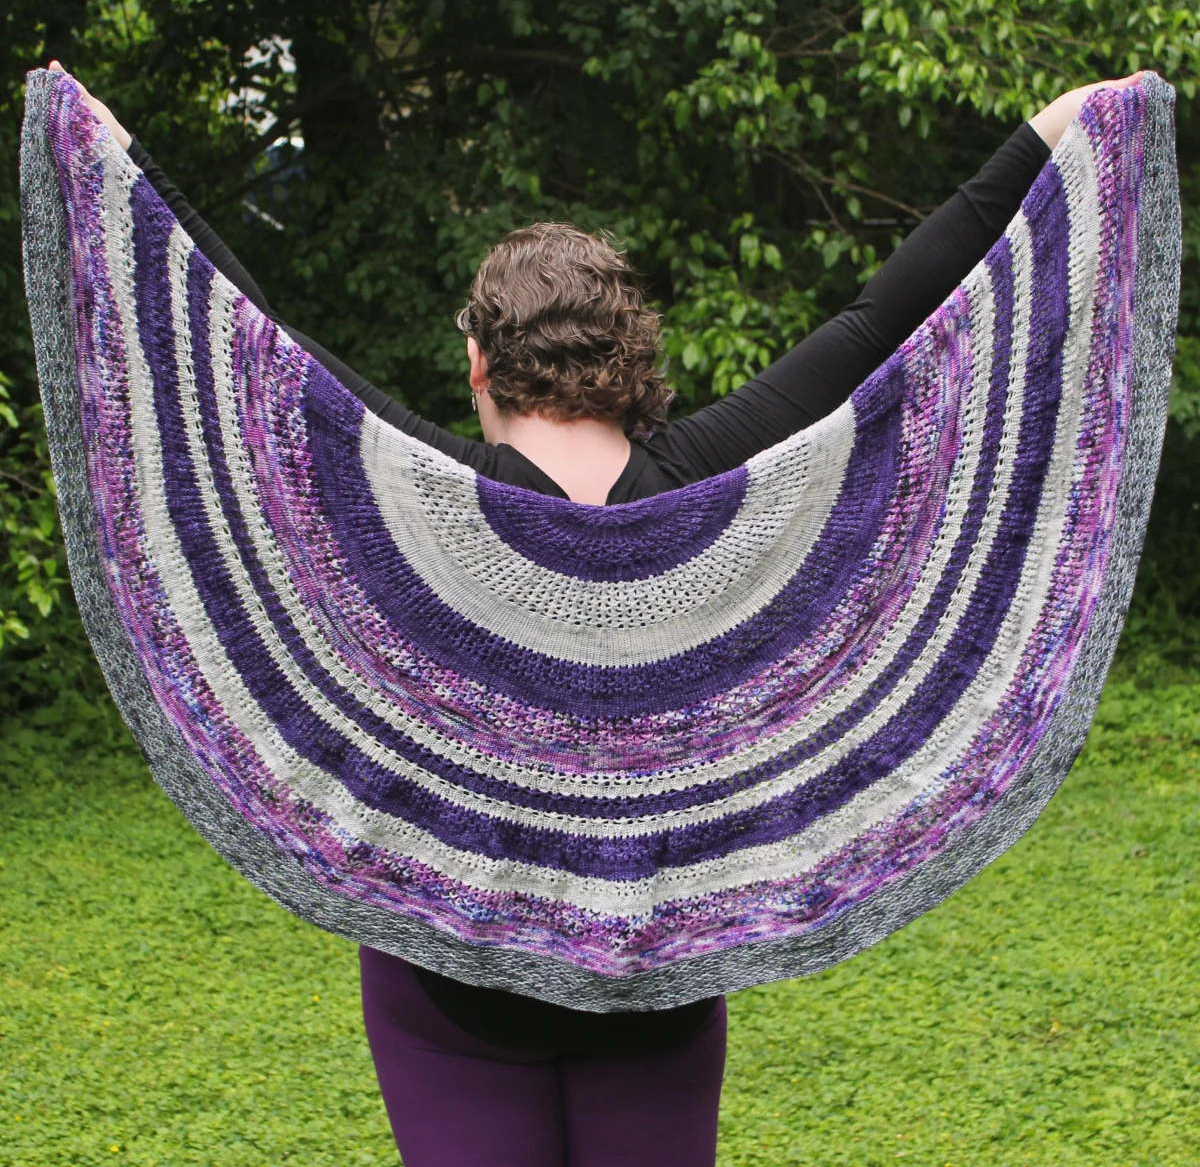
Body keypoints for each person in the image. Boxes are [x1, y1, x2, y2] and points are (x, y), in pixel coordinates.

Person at [46, 59, 1143, 1167]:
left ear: (478, 361)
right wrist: (1058, 131)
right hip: (659, 973)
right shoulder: (718, 484)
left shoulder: (412, 495)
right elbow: (893, 309)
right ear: (633, 362)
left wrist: (109, 156)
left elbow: (249, 337)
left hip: (445, 984)